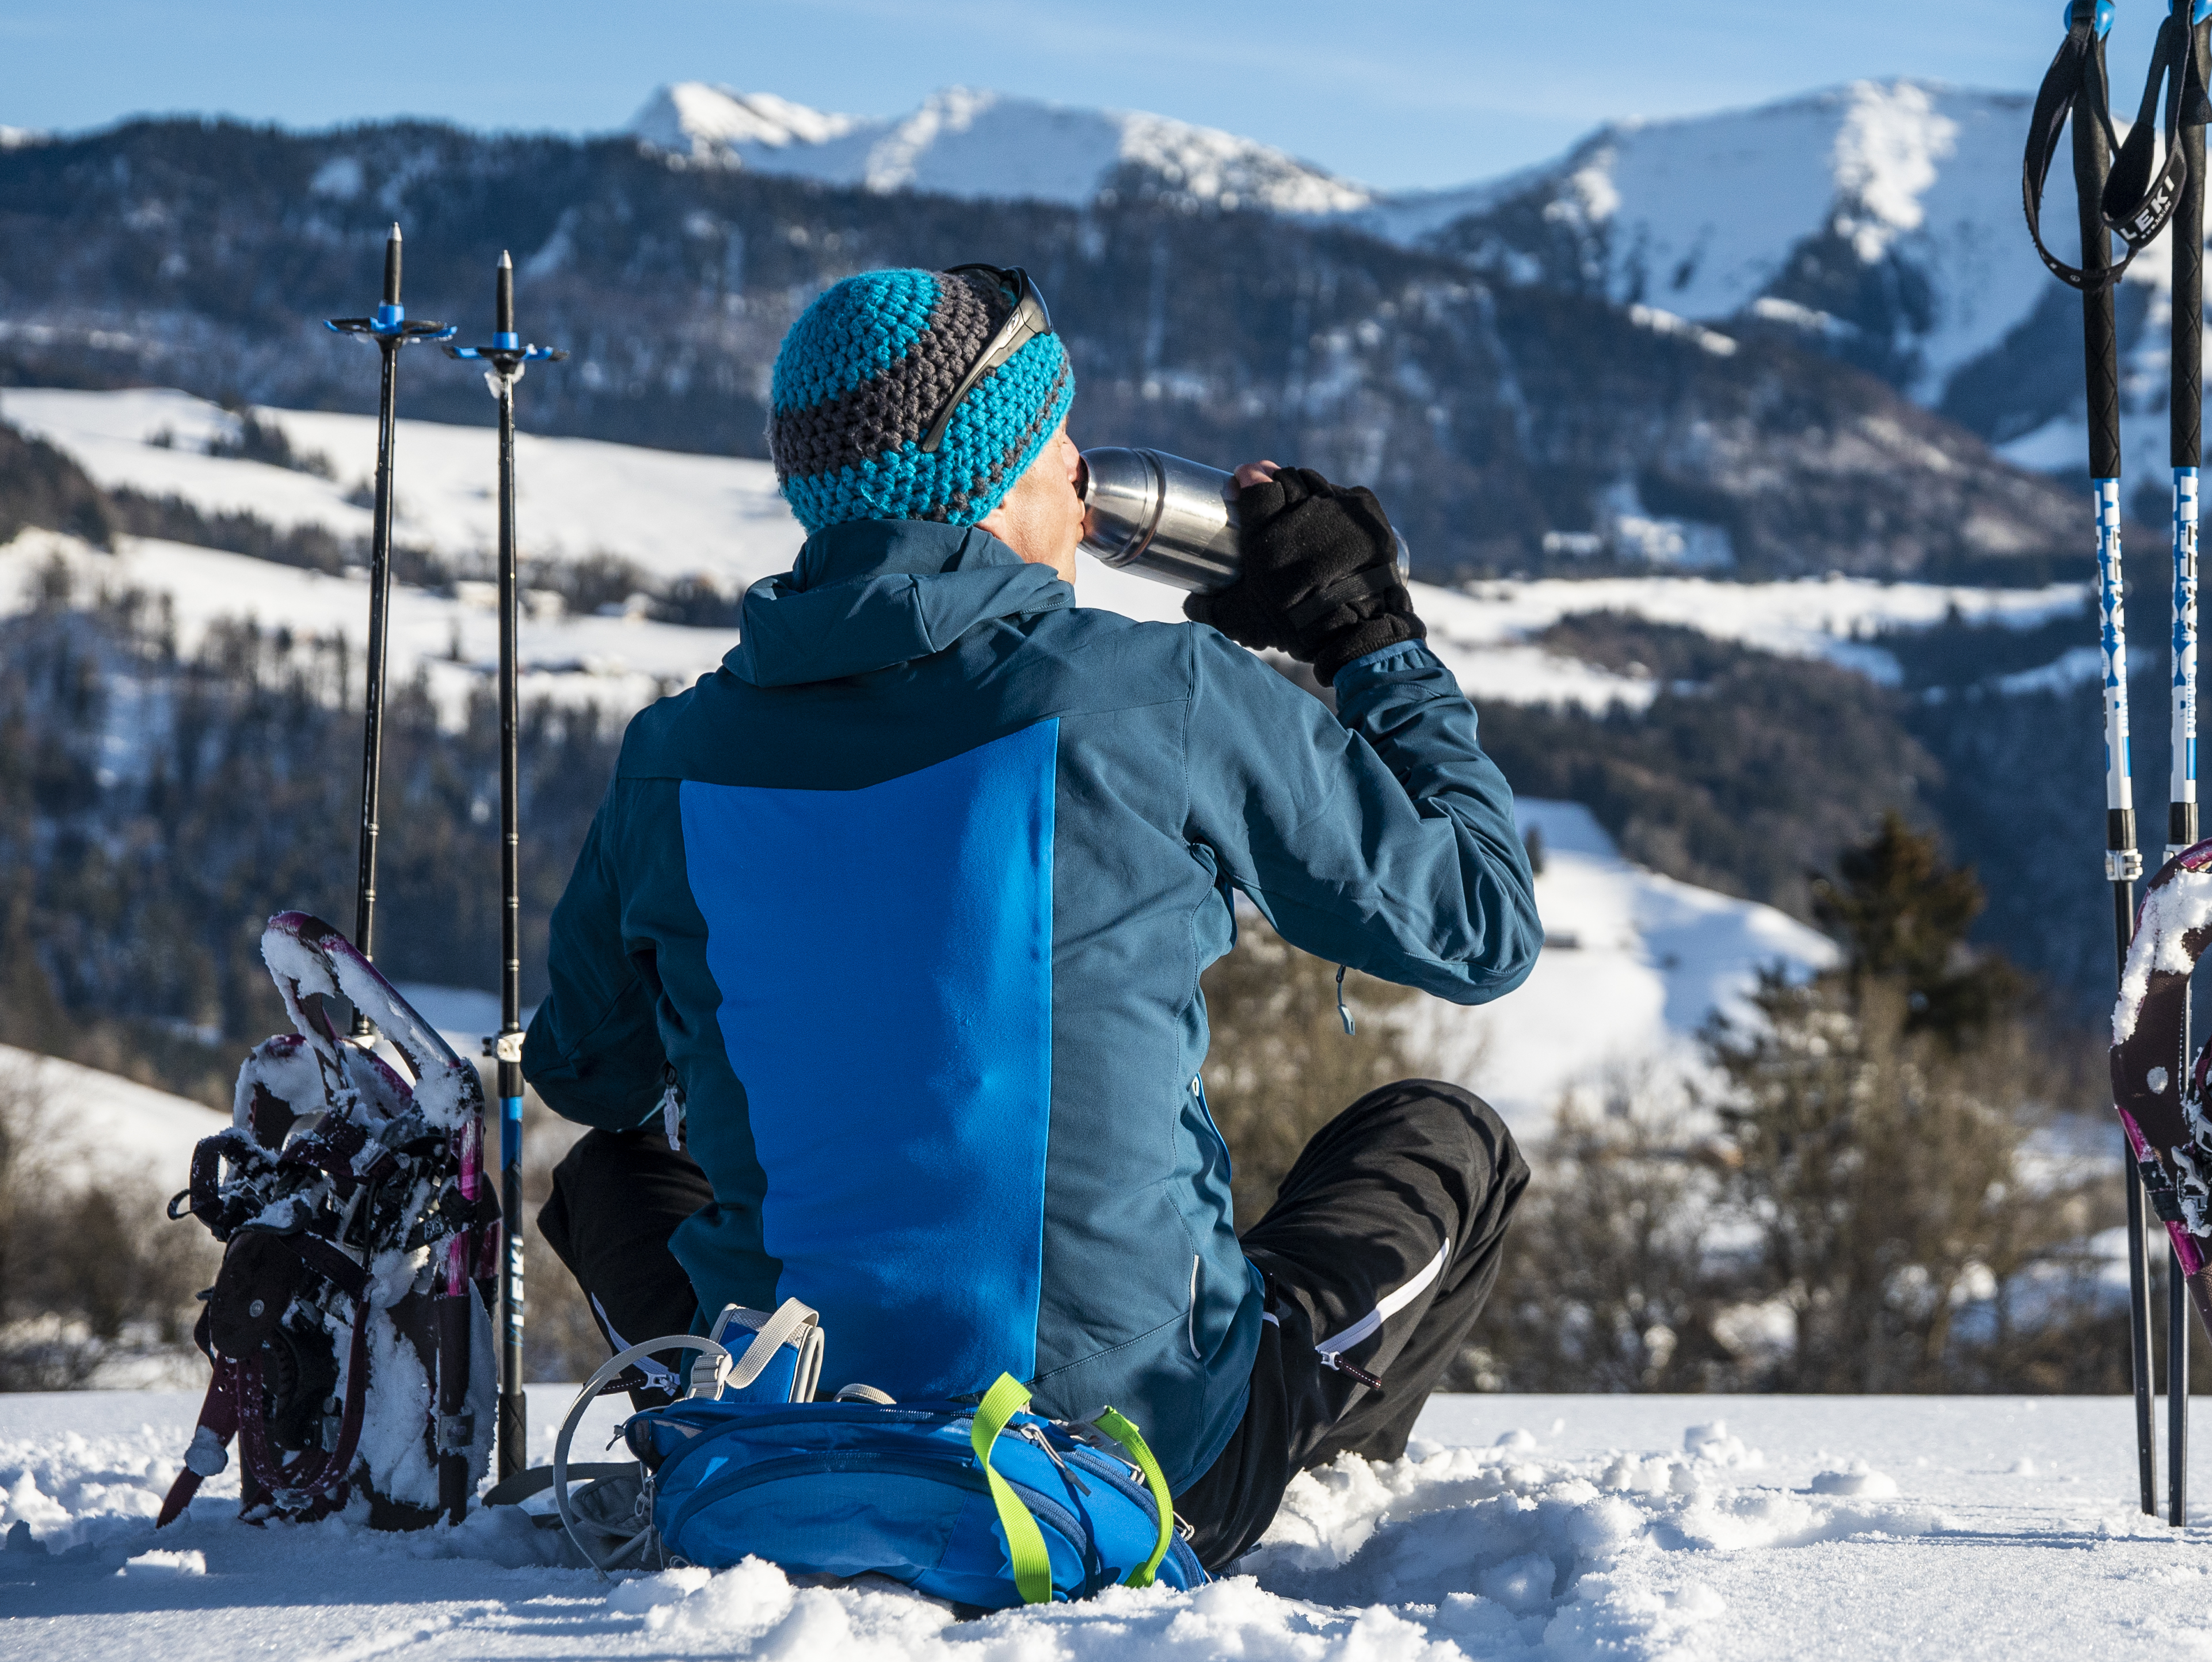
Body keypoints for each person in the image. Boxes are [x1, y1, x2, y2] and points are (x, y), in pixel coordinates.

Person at [523, 262, 1539, 1568]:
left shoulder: (674, 755)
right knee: (1444, 1137)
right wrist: (1364, 631)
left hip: (787, 1425)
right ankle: (1270, 1494)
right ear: (990, 474)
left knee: (613, 1172)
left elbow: (587, 1072)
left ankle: (768, 1425)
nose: (1077, 469)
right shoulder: (1157, 692)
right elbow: (1481, 922)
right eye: (1053, 435)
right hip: (1132, 1456)